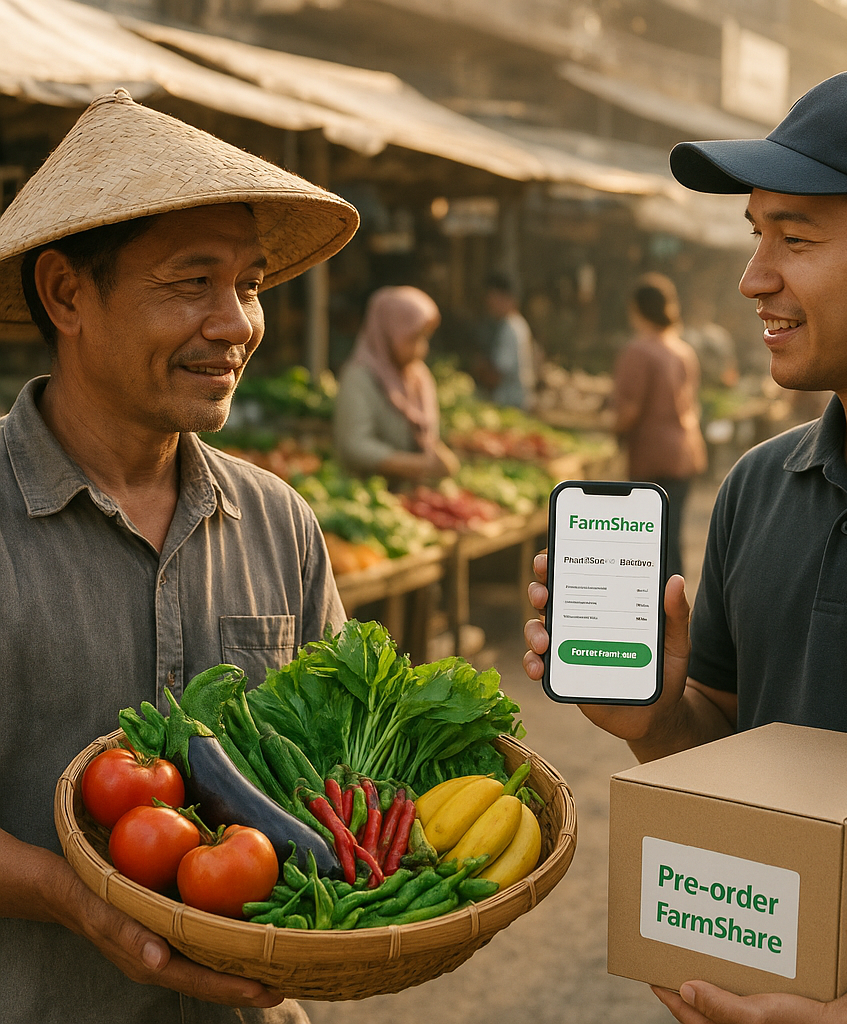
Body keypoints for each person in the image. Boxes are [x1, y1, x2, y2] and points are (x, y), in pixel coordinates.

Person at [525, 65, 847, 1022]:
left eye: (795, 239)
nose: (754, 279)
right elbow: (733, 742)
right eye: (757, 237)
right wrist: (659, 718)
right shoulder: (761, 484)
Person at [0, 89, 360, 1024]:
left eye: (246, 283)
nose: (238, 323)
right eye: (190, 282)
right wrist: (74, 897)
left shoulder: (280, 521)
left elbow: (332, 772)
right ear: (66, 294)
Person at [613, 272, 708, 578]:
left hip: (652, 458)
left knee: (649, 546)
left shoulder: (639, 351)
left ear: (637, 309)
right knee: (671, 539)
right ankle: (675, 612)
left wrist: (611, 431)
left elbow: (629, 411)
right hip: (685, 453)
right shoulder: (682, 349)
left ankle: (654, 616)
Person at [333, 284, 460, 486]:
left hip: (413, 495)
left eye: (424, 337)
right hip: (369, 493)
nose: (421, 348)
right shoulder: (358, 378)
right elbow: (354, 446)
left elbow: (425, 435)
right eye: (412, 338)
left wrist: (439, 455)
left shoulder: (418, 376)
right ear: (388, 332)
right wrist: (419, 465)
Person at [481, 271, 536, 410]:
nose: (489, 305)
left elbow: (497, 374)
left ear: (507, 299)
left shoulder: (510, 329)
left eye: (493, 299)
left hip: (512, 404)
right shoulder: (516, 324)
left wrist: (476, 371)